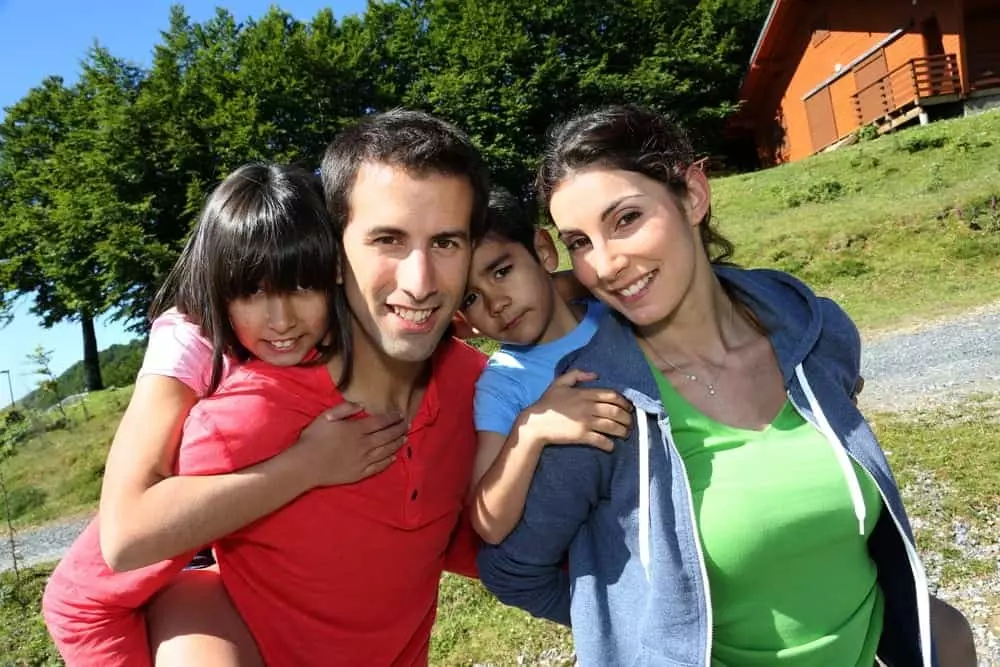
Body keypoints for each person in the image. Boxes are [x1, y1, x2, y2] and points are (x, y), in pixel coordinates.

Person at [478, 105, 976, 667]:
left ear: (692, 194)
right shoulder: (602, 406)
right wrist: (647, 625)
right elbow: (513, 571)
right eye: (581, 242)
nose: (606, 263)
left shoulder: (814, 333)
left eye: (625, 219)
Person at [44, 108, 491, 666]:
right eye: (388, 240)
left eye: (446, 243)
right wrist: (299, 469)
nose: (420, 281)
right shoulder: (240, 417)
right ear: (337, 253)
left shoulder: (477, 386)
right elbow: (90, 590)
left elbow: (451, 538)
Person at [461, 187, 633, 544]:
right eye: (471, 297)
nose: (496, 303)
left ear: (544, 251)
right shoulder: (503, 384)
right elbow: (487, 523)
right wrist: (532, 429)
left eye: (502, 271)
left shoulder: (620, 311)